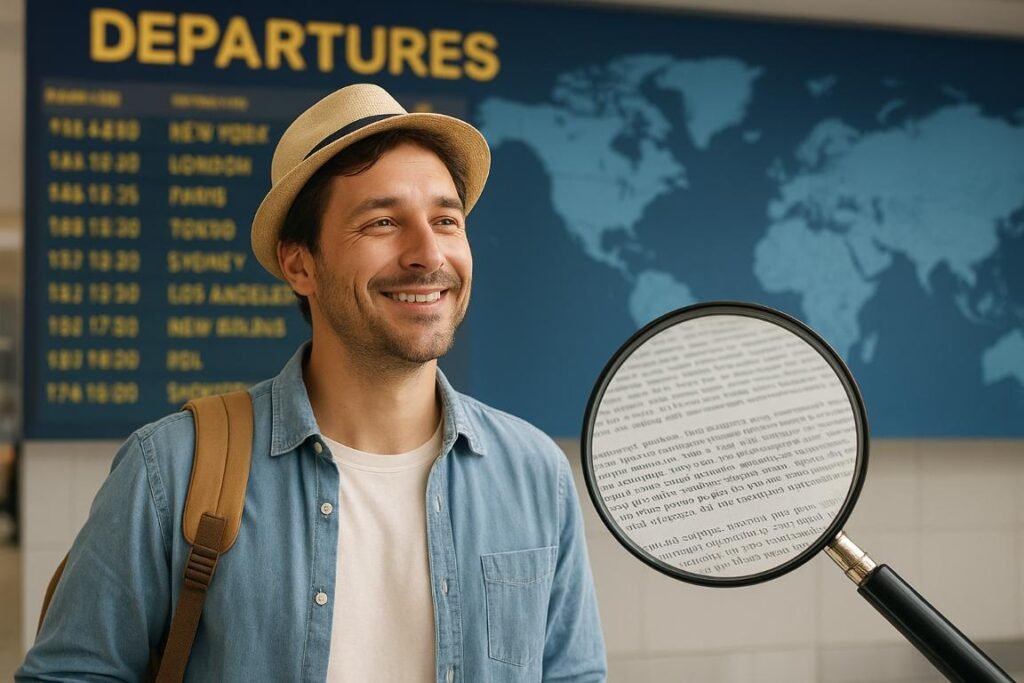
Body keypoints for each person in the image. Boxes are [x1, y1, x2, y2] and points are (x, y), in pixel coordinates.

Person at [18, 84, 607, 682]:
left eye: (446, 221)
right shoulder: (170, 467)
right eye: (382, 222)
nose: (428, 254)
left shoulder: (535, 474)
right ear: (299, 264)